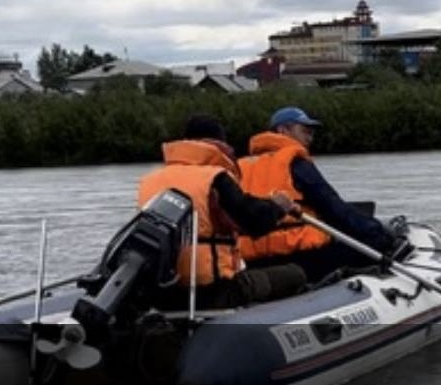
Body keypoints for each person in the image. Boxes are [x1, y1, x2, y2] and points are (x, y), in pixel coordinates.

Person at [136, 114, 307, 309]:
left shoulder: (150, 181)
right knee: (295, 274)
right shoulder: (215, 178)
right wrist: (278, 206)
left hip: (165, 293)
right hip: (213, 291)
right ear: (220, 143)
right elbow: (254, 220)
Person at [237, 106, 402, 283]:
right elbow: (333, 208)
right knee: (374, 243)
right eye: (304, 131)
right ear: (282, 130)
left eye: (312, 133)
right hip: (299, 257)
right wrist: (379, 233)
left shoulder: (239, 166)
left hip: (250, 261)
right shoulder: (294, 163)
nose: (309, 138)